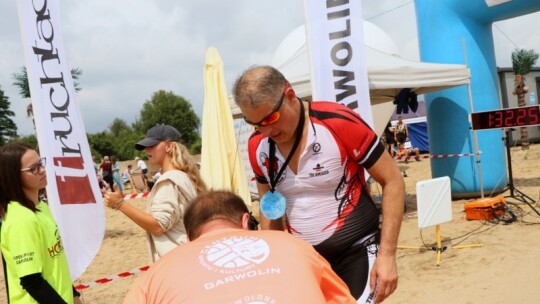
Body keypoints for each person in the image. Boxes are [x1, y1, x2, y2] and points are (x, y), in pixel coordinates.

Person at [233, 65, 404, 303]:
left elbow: (393, 180)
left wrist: (387, 256)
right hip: (305, 261)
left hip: (357, 252)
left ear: (290, 95)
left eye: (271, 118)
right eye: (257, 124)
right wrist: (274, 264)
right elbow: (268, 208)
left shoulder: (337, 122)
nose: (267, 130)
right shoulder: (257, 145)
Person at [123, 190, 356, 304]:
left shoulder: (156, 273)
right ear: (246, 222)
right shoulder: (295, 245)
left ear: (189, 241)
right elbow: (342, 300)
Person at [103, 124, 208, 263]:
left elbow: (158, 225)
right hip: (188, 256)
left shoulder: (168, 181)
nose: (147, 150)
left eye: (152, 145)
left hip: (176, 260)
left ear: (169, 146)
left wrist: (120, 204)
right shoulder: (184, 176)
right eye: (146, 146)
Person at [0, 143, 82, 304]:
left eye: (41, 163)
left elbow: (55, 264)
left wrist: (74, 295)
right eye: (33, 168)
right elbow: (32, 282)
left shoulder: (41, 207)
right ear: (14, 176)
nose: (42, 170)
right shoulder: (20, 220)